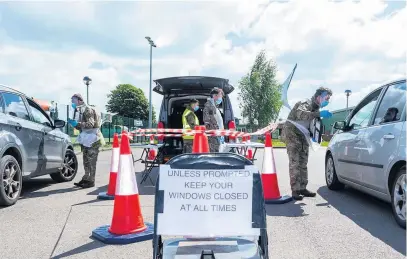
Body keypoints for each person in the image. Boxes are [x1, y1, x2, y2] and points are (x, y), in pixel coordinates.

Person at [281, 87, 333, 200]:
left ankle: (302, 188)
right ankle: (295, 190)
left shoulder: (316, 108)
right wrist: (318, 114)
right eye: (326, 98)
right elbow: (301, 114)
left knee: (303, 162)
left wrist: (315, 136)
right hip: (292, 133)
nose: (327, 101)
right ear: (319, 96)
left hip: (303, 135)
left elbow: (312, 125)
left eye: (329, 99)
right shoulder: (306, 103)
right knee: (295, 162)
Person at [68, 94, 102, 188]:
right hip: (87, 139)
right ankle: (86, 178)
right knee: (86, 161)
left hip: (93, 139)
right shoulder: (80, 110)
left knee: (91, 161)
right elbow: (82, 127)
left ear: (79, 101)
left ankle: (91, 181)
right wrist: (74, 125)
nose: (72, 103)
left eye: (73, 100)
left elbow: (90, 124)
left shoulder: (87, 109)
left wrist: (77, 123)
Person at [203, 88, 224, 152]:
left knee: (217, 152)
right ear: (214, 96)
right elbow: (208, 121)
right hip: (214, 135)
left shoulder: (214, 106)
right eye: (220, 96)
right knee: (214, 153)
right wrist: (218, 132)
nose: (221, 98)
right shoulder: (209, 106)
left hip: (217, 134)